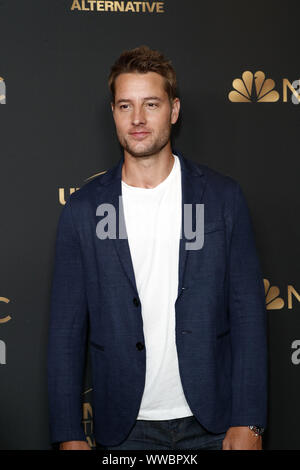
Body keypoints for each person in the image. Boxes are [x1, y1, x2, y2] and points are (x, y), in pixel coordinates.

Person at [47, 46, 268, 451]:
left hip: (215, 426)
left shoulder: (221, 199)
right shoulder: (84, 209)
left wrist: (250, 421)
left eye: (151, 104)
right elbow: (65, 332)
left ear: (174, 110)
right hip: (124, 429)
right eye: (125, 105)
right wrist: (68, 435)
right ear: (112, 112)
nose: (137, 119)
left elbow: (249, 315)